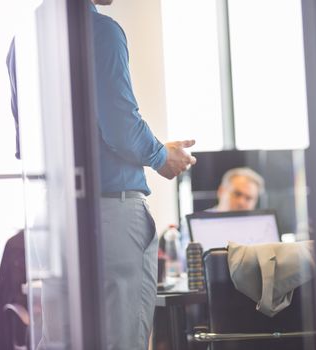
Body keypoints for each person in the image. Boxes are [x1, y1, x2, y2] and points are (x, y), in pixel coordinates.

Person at [89, 1, 196, 349]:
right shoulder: (101, 32)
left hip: (56, 220)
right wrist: (161, 155)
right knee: (122, 339)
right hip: (110, 218)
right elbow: (120, 127)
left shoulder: (26, 38)